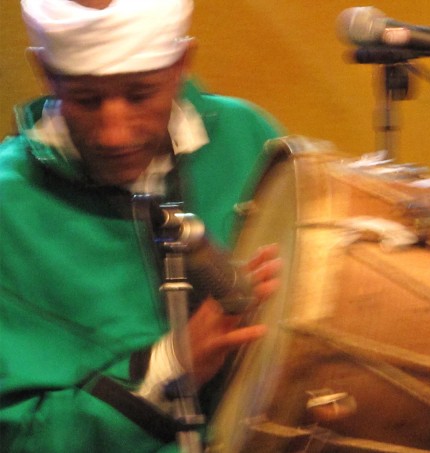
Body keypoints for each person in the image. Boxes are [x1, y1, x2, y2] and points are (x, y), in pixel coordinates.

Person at [0, 0, 283, 451]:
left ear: (181, 64)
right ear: (44, 71)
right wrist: (167, 369)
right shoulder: (8, 206)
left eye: (140, 94)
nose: (114, 133)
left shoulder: (248, 136)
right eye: (86, 100)